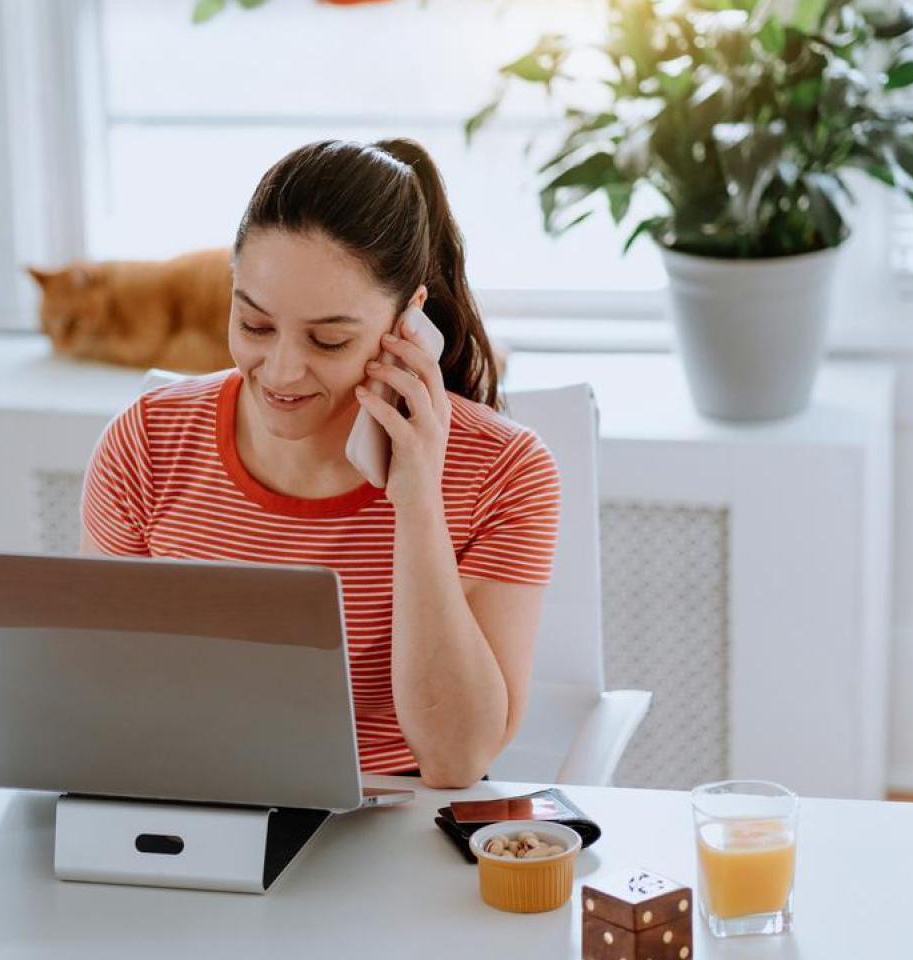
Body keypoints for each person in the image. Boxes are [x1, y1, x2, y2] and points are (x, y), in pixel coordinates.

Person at [79, 138, 561, 788]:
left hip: (393, 827)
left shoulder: (506, 473)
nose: (279, 371)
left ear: (408, 324)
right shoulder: (144, 445)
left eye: (328, 339)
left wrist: (418, 502)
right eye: (253, 325)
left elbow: (457, 759)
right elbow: (100, 702)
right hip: (196, 808)